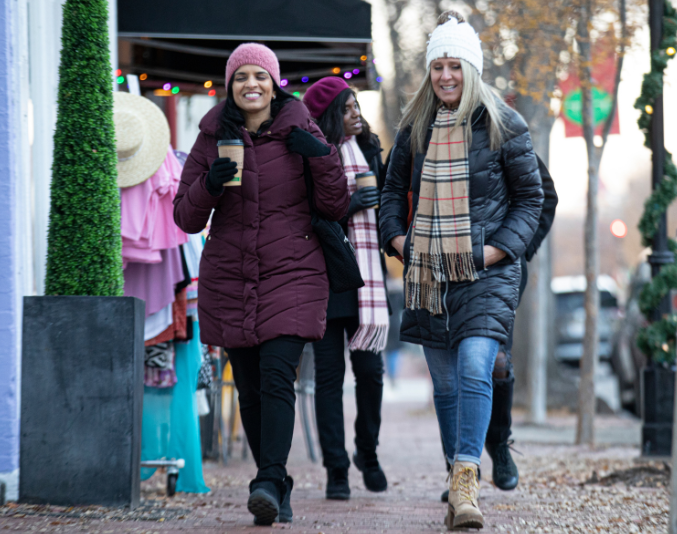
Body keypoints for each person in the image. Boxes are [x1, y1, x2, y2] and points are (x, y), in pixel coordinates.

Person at [379, 11, 544, 531]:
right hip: (428, 272)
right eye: (437, 67)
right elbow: (389, 193)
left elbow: (531, 199)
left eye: (455, 66)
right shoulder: (414, 127)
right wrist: (398, 240)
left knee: (476, 367)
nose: (446, 76)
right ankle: (457, 475)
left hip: (487, 270)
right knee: (446, 386)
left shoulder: (503, 123)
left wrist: (496, 252)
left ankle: (467, 479)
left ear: (471, 69)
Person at [173, 43, 349, 526]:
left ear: (275, 84)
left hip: (293, 273)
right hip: (230, 275)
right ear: (230, 86)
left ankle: (268, 480)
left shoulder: (301, 129)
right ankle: (277, 481)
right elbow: (186, 218)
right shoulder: (211, 136)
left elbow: (335, 206)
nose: (252, 84)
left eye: (261, 76)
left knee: (276, 378)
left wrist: (322, 157)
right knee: (249, 389)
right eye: (241, 77)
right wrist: (209, 183)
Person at [440, 158, 558, 502]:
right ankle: (460, 470)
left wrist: (518, 248)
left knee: (494, 362)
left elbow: (544, 197)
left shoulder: (504, 130)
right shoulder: (429, 130)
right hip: (444, 265)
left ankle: (499, 443)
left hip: (499, 269)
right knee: (450, 369)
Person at [302, 77, 389, 500]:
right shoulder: (313, 155)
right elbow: (309, 216)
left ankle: (367, 452)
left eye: (357, 107)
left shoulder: (371, 149)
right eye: (348, 109)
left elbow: (389, 203)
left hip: (368, 280)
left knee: (371, 374)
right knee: (329, 378)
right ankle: (337, 469)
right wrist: (353, 204)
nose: (357, 115)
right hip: (327, 277)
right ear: (332, 117)